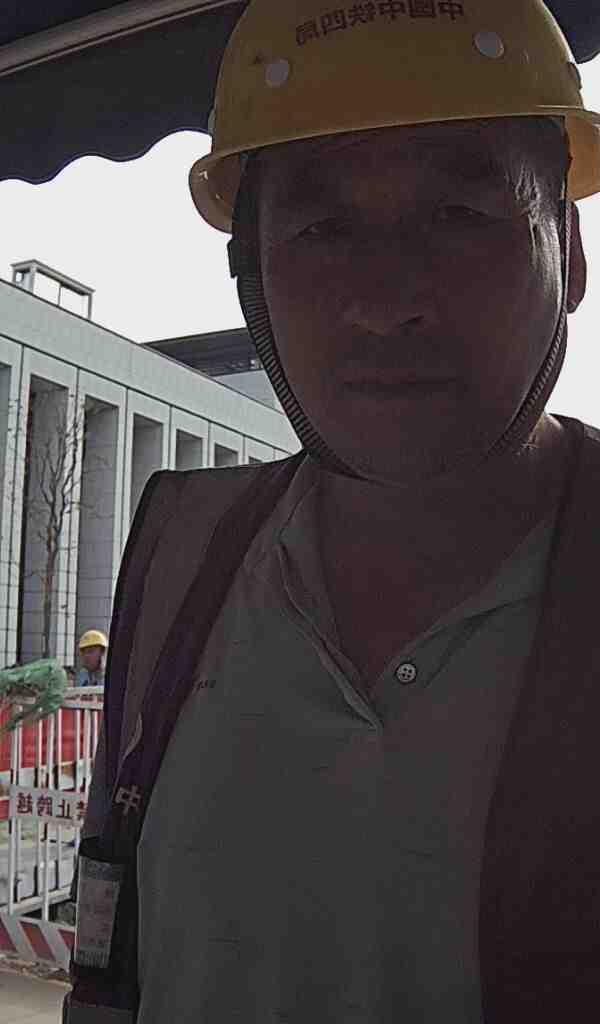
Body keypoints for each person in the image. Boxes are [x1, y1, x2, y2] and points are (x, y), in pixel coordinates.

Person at [66, 2, 600, 1022]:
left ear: (568, 254)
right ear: (254, 279)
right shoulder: (178, 557)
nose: (385, 300)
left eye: (460, 214)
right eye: (321, 228)